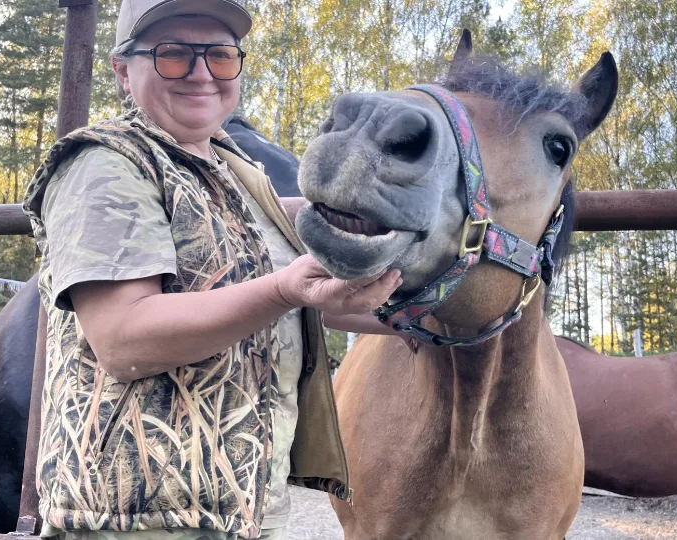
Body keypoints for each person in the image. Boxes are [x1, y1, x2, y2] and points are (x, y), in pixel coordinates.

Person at [21, 0, 401, 538]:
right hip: (138, 520)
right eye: (174, 54)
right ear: (123, 70)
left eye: (220, 56)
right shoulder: (105, 164)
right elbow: (123, 340)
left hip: (240, 508)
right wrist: (284, 292)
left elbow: (282, 307)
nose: (202, 73)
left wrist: (422, 314)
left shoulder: (236, 172)